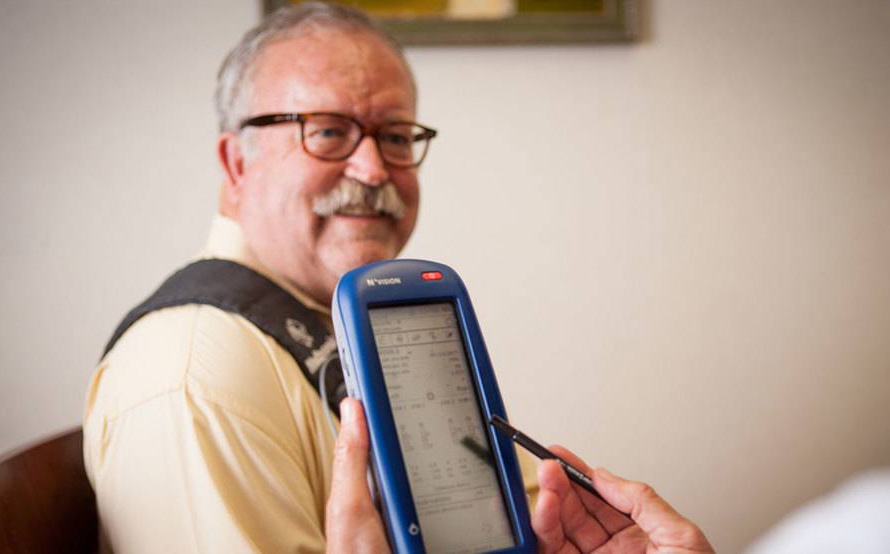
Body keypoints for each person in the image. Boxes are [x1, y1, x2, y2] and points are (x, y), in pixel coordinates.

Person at [83, 2, 713, 552]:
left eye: (394, 136)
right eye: (328, 131)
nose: (374, 169)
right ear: (235, 162)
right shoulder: (196, 375)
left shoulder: (381, 328)